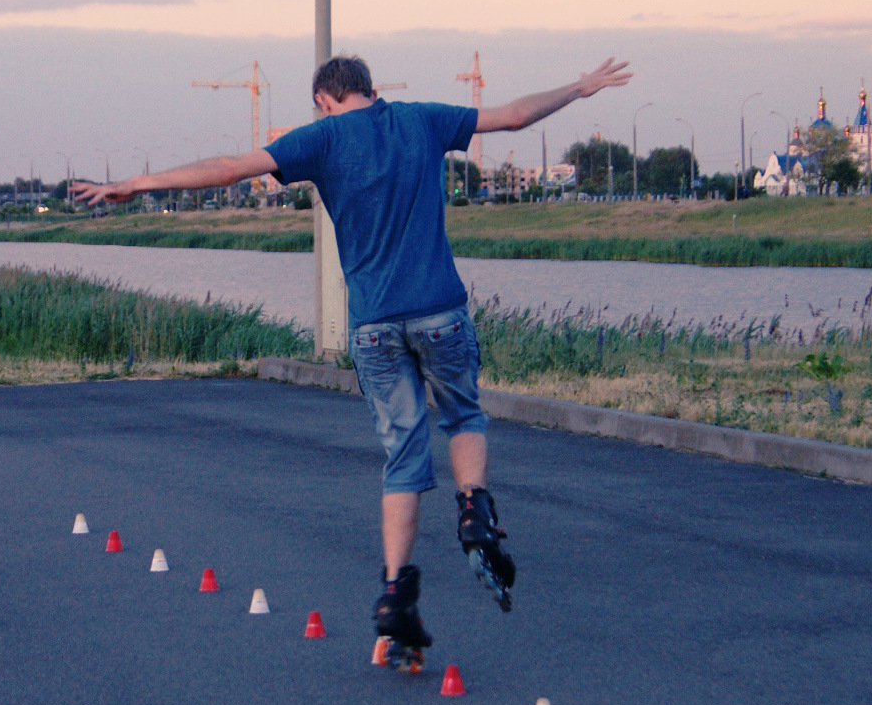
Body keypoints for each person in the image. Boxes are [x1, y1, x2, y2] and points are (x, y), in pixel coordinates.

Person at [72, 52, 631, 660]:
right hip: (440, 311)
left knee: (403, 457)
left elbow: (229, 168)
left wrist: (137, 184)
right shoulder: (421, 119)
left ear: (323, 99)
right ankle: (474, 512)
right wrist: (579, 87)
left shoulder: (321, 138)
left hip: (373, 328)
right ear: (368, 88)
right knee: (464, 416)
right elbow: (516, 117)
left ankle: (395, 595)